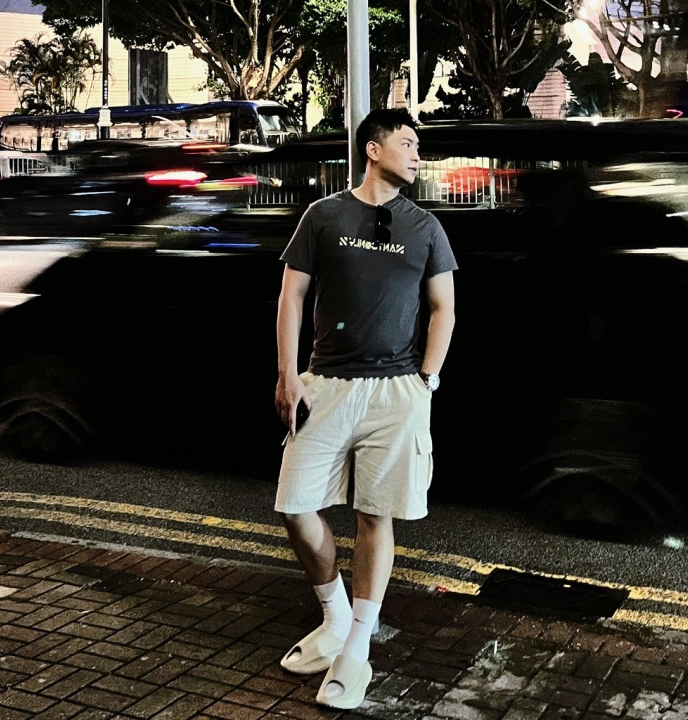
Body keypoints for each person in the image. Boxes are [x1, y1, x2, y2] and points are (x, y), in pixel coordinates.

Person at [273, 107, 457, 710]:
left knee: (375, 516)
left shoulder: (425, 226)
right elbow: (292, 297)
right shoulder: (324, 215)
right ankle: (333, 616)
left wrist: (426, 381)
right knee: (295, 507)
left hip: (397, 389)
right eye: (408, 143)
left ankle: (356, 647)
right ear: (373, 149)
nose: (417, 154)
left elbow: (444, 308)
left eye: (419, 145)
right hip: (326, 384)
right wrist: (288, 374)